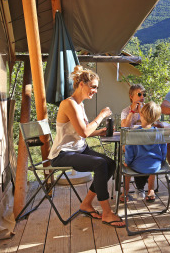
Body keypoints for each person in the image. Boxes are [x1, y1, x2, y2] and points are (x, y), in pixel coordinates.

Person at [49, 65, 125, 228]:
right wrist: (101, 115)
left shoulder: (80, 104)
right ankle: (106, 213)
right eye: (93, 87)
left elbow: (82, 132)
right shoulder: (68, 104)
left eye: (96, 87)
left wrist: (99, 133)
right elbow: (83, 132)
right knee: (100, 164)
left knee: (111, 164)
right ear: (81, 84)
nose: (95, 91)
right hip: (62, 154)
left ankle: (86, 204)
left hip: (79, 148)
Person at [121, 102, 167, 203]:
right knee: (152, 164)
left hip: (138, 166)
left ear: (141, 114)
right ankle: (151, 190)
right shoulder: (159, 133)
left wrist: (128, 162)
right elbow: (164, 150)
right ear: (156, 119)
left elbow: (129, 153)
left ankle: (125, 191)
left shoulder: (133, 133)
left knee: (125, 167)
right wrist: (162, 161)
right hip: (155, 166)